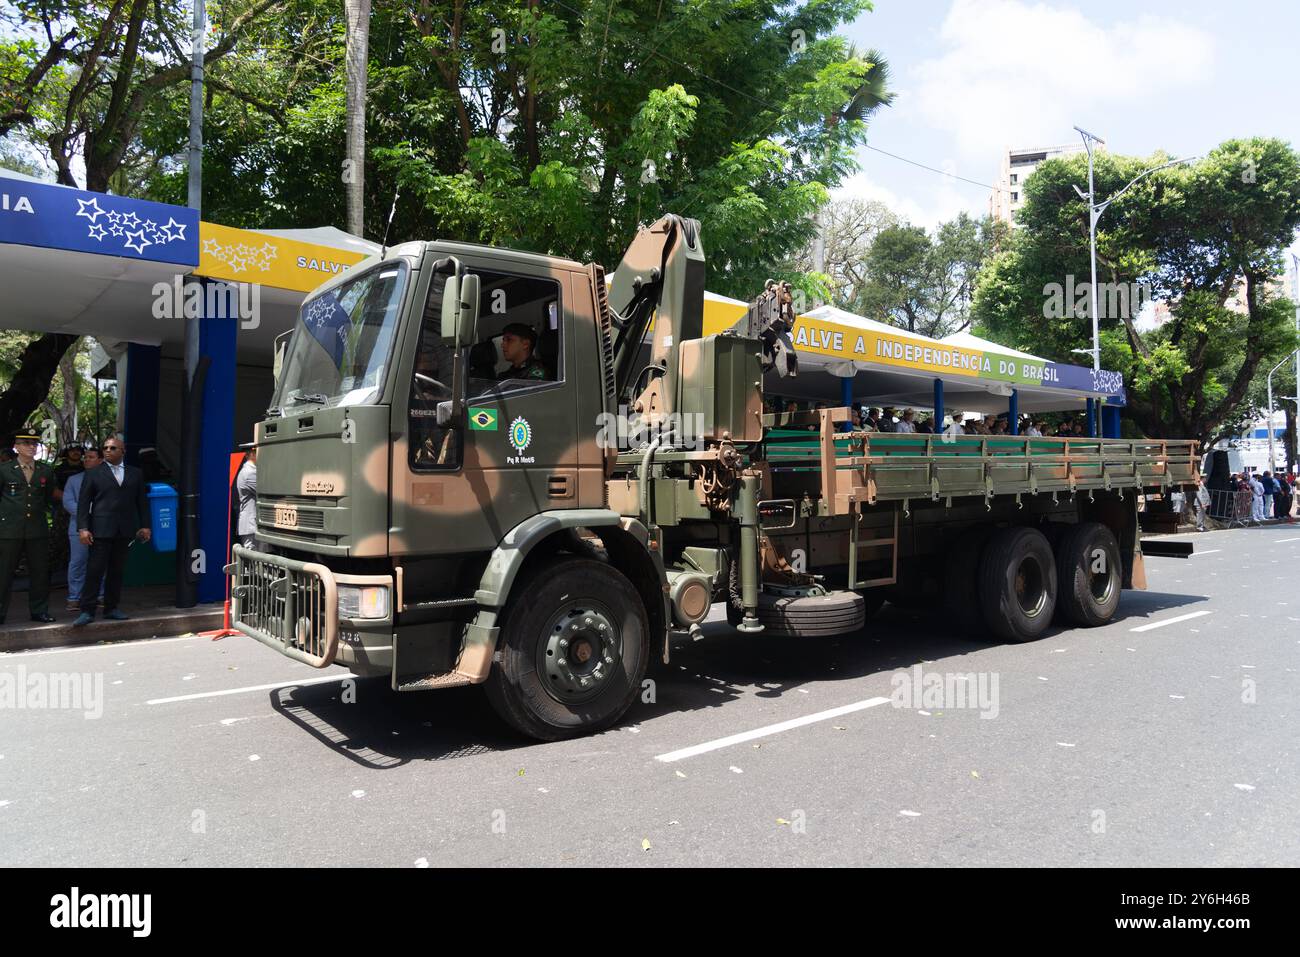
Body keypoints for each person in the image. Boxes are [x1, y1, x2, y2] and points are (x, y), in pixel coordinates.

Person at [74, 438, 150, 626]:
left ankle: (111, 608)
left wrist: (145, 525)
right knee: (94, 570)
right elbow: (83, 503)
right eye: (105, 448)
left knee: (117, 571)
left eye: (113, 448)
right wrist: (83, 528)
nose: (108, 451)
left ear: (122, 451)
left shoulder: (135, 473)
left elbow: (141, 502)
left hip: (124, 529)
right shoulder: (93, 473)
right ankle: (87, 610)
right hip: (100, 529)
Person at [0, 430, 58, 623]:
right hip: (9, 529)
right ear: (16, 446)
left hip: (36, 529)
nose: (31, 447)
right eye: (26, 443)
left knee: (40, 572)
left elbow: (48, 497)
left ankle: (39, 610)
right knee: (4, 572)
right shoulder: (4, 470)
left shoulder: (45, 471)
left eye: (34, 444)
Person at [62, 446, 103, 611]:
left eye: (91, 457)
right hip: (79, 527)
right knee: (78, 563)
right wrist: (88, 512)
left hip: (102, 527)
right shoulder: (74, 480)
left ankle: (100, 595)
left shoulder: (108, 478)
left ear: (101, 460)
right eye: (85, 457)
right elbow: (68, 502)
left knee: (101, 563)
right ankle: (74, 597)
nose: (86, 459)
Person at [234, 444, 260, 552]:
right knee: (253, 562)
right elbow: (265, 492)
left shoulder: (247, 471)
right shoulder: (250, 473)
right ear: (253, 454)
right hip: (251, 526)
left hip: (250, 525)